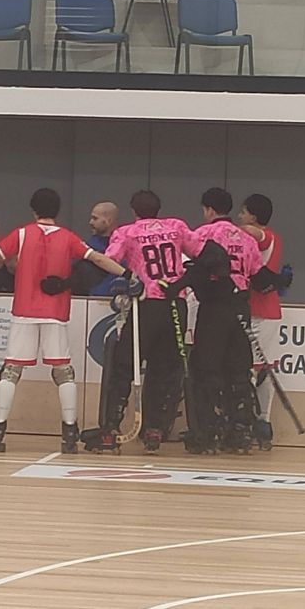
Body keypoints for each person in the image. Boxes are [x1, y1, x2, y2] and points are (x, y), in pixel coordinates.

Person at [0, 188, 128, 454]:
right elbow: (97, 258)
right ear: (57, 210)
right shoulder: (68, 237)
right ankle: (69, 431)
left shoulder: (22, 234)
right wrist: (128, 274)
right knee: (63, 372)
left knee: (11, 371)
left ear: (33, 210)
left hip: (24, 310)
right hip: (56, 312)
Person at [95, 190, 201, 454]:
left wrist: (129, 276)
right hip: (175, 304)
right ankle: (155, 428)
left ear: (133, 211)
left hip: (146, 304)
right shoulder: (176, 227)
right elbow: (199, 251)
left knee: (123, 365)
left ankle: (111, 427)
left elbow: (108, 259)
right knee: (165, 369)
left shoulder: (127, 232)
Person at [177, 187, 267, 454]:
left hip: (214, 306)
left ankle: (208, 432)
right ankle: (240, 431)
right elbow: (259, 276)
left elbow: (186, 266)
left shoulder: (203, 234)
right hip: (240, 306)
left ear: (208, 209)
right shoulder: (246, 238)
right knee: (239, 369)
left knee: (206, 368)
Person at [239, 193, 284, 450]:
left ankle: (260, 421)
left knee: (257, 369)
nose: (240, 217)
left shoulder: (266, 236)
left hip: (261, 311)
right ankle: (254, 421)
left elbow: (253, 233)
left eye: (244, 212)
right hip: (253, 309)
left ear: (254, 217)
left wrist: (222, 228)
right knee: (255, 368)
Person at [71, 201, 120, 296]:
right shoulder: (86, 246)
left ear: (109, 221)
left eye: (95, 218)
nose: (90, 222)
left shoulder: (123, 248)